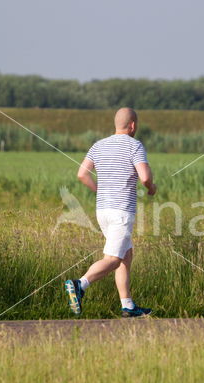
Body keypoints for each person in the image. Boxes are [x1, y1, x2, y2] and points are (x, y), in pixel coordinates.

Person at [64, 107, 156, 317]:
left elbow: (81, 174)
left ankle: (128, 306)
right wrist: (151, 188)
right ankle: (80, 285)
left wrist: (101, 190)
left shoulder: (98, 145)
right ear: (132, 125)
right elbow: (144, 177)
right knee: (114, 258)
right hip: (121, 211)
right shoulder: (135, 146)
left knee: (126, 254)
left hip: (102, 210)